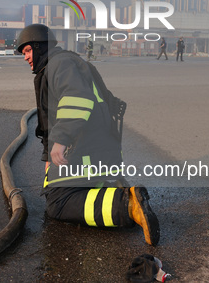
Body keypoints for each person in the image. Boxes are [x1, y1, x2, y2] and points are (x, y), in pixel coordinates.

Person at [17, 24, 160, 246]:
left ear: (39, 46)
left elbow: (78, 98)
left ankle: (128, 206)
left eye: (27, 50)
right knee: (54, 185)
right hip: (95, 149)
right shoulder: (58, 64)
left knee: (58, 203)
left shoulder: (60, 63)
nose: (25, 57)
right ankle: (112, 187)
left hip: (88, 150)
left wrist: (61, 140)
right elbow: (50, 122)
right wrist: (48, 158)